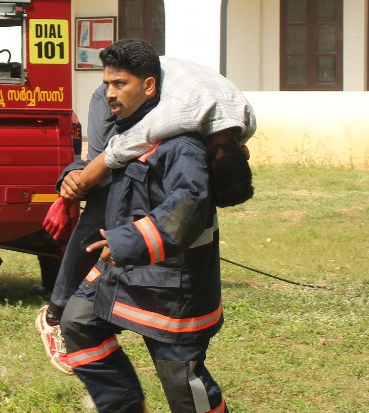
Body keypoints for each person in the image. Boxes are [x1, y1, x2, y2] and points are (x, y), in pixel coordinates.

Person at [58, 39, 247, 413]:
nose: (109, 93)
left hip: (175, 279)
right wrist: (71, 173)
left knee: (182, 378)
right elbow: (103, 172)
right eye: (106, 84)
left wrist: (126, 241)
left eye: (120, 84)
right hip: (124, 265)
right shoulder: (127, 132)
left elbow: (189, 207)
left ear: (148, 86)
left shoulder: (179, 144)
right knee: (78, 321)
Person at [36, 55, 255, 372]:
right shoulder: (177, 118)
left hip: (156, 86)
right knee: (106, 192)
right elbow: (117, 152)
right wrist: (78, 183)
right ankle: (54, 314)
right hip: (132, 87)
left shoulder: (244, 122)